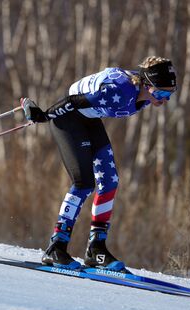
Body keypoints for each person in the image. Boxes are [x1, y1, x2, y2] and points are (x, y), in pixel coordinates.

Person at [20, 56, 177, 271]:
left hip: (89, 119)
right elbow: (72, 102)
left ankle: (96, 249)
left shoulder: (141, 89)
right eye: (160, 93)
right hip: (69, 118)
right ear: (147, 85)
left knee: (109, 182)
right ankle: (56, 247)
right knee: (84, 183)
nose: (163, 99)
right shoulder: (118, 91)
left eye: (169, 95)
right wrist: (44, 116)